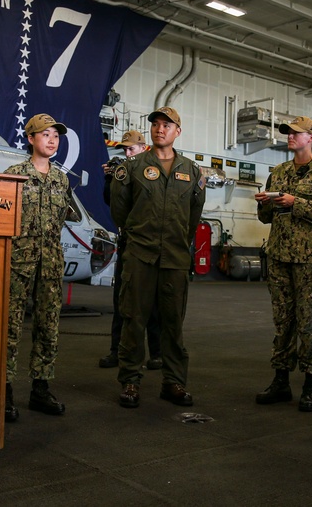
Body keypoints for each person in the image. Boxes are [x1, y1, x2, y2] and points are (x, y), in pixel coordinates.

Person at [110, 107, 205, 409]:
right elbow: (119, 210)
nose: (160, 129)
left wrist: (178, 241)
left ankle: (173, 381)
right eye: (155, 125)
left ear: (178, 131)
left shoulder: (192, 171)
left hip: (175, 257)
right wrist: (138, 236)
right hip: (140, 254)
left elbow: (193, 216)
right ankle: (130, 381)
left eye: (167, 125)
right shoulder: (132, 167)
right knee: (133, 320)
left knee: (173, 323)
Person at [253, 117, 312, 413]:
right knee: (283, 322)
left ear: (311, 138)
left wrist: (296, 202)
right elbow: (266, 218)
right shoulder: (278, 172)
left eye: (296, 133)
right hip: (280, 257)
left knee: (309, 324)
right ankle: (281, 381)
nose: (290, 136)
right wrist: (265, 203)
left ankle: (310, 385)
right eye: (288, 133)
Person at [3, 113, 75, 421]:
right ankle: (3, 390)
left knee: (48, 327)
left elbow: (61, 220)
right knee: (9, 327)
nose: (52, 140)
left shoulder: (61, 180)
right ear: (31, 138)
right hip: (18, 262)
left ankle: (40, 389)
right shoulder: (14, 175)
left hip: (50, 264)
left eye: (56, 136)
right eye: (45, 135)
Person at [99, 130, 163, 371]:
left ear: (143, 148)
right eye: (125, 150)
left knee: (153, 301)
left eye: (132, 149)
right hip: (128, 242)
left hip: (150, 243)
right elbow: (111, 201)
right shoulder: (122, 172)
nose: (127, 154)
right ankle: (117, 351)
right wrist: (110, 180)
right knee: (122, 299)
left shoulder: (153, 171)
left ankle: (157, 353)